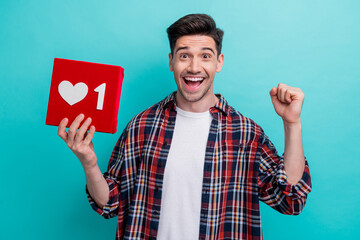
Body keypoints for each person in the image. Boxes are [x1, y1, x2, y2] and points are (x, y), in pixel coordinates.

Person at [57, 14, 311, 240]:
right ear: (171, 61)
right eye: (184, 55)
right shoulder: (141, 126)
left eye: (205, 56)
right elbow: (110, 203)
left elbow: (290, 199)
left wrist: (292, 123)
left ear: (219, 63)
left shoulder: (246, 134)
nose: (193, 67)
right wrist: (89, 163)